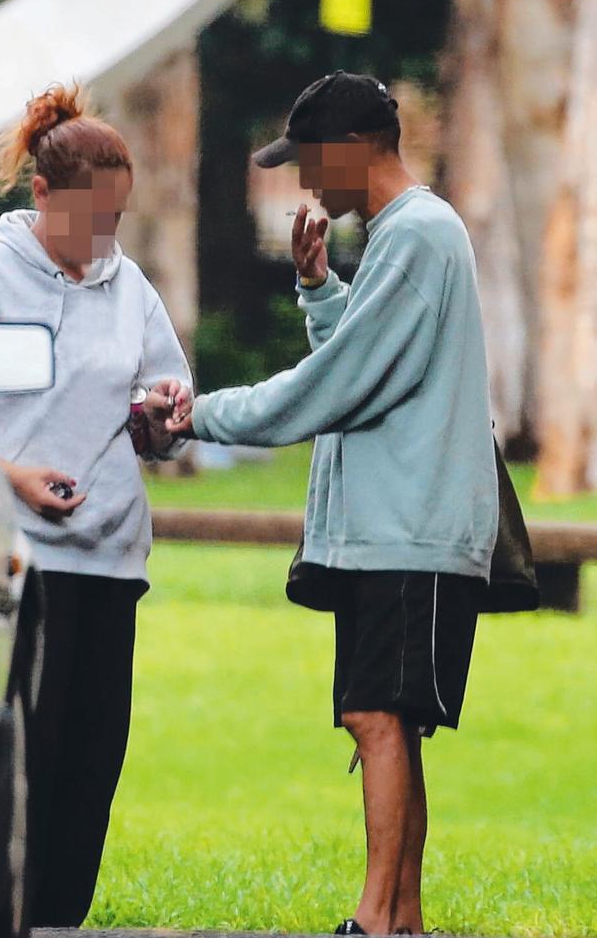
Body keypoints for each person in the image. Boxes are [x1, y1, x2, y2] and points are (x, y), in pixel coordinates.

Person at [167, 71, 499, 936]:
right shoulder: (405, 236)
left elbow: (336, 387)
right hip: (395, 529)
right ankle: (405, 920)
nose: (308, 183)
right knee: (388, 725)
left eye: (312, 161)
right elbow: (375, 363)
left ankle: (377, 920)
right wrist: (318, 288)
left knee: (374, 718)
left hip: (409, 530)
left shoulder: (418, 234)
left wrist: (195, 415)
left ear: (354, 149)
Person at [0, 83, 193, 927]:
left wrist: (160, 419)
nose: (104, 237)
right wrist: (9, 474)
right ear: (42, 194)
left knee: (94, 763)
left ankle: (60, 922)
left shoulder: (131, 292)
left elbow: (165, 403)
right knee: (27, 762)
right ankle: (3, 914)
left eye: (116, 218)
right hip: (16, 565)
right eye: (90, 215)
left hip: (112, 562)